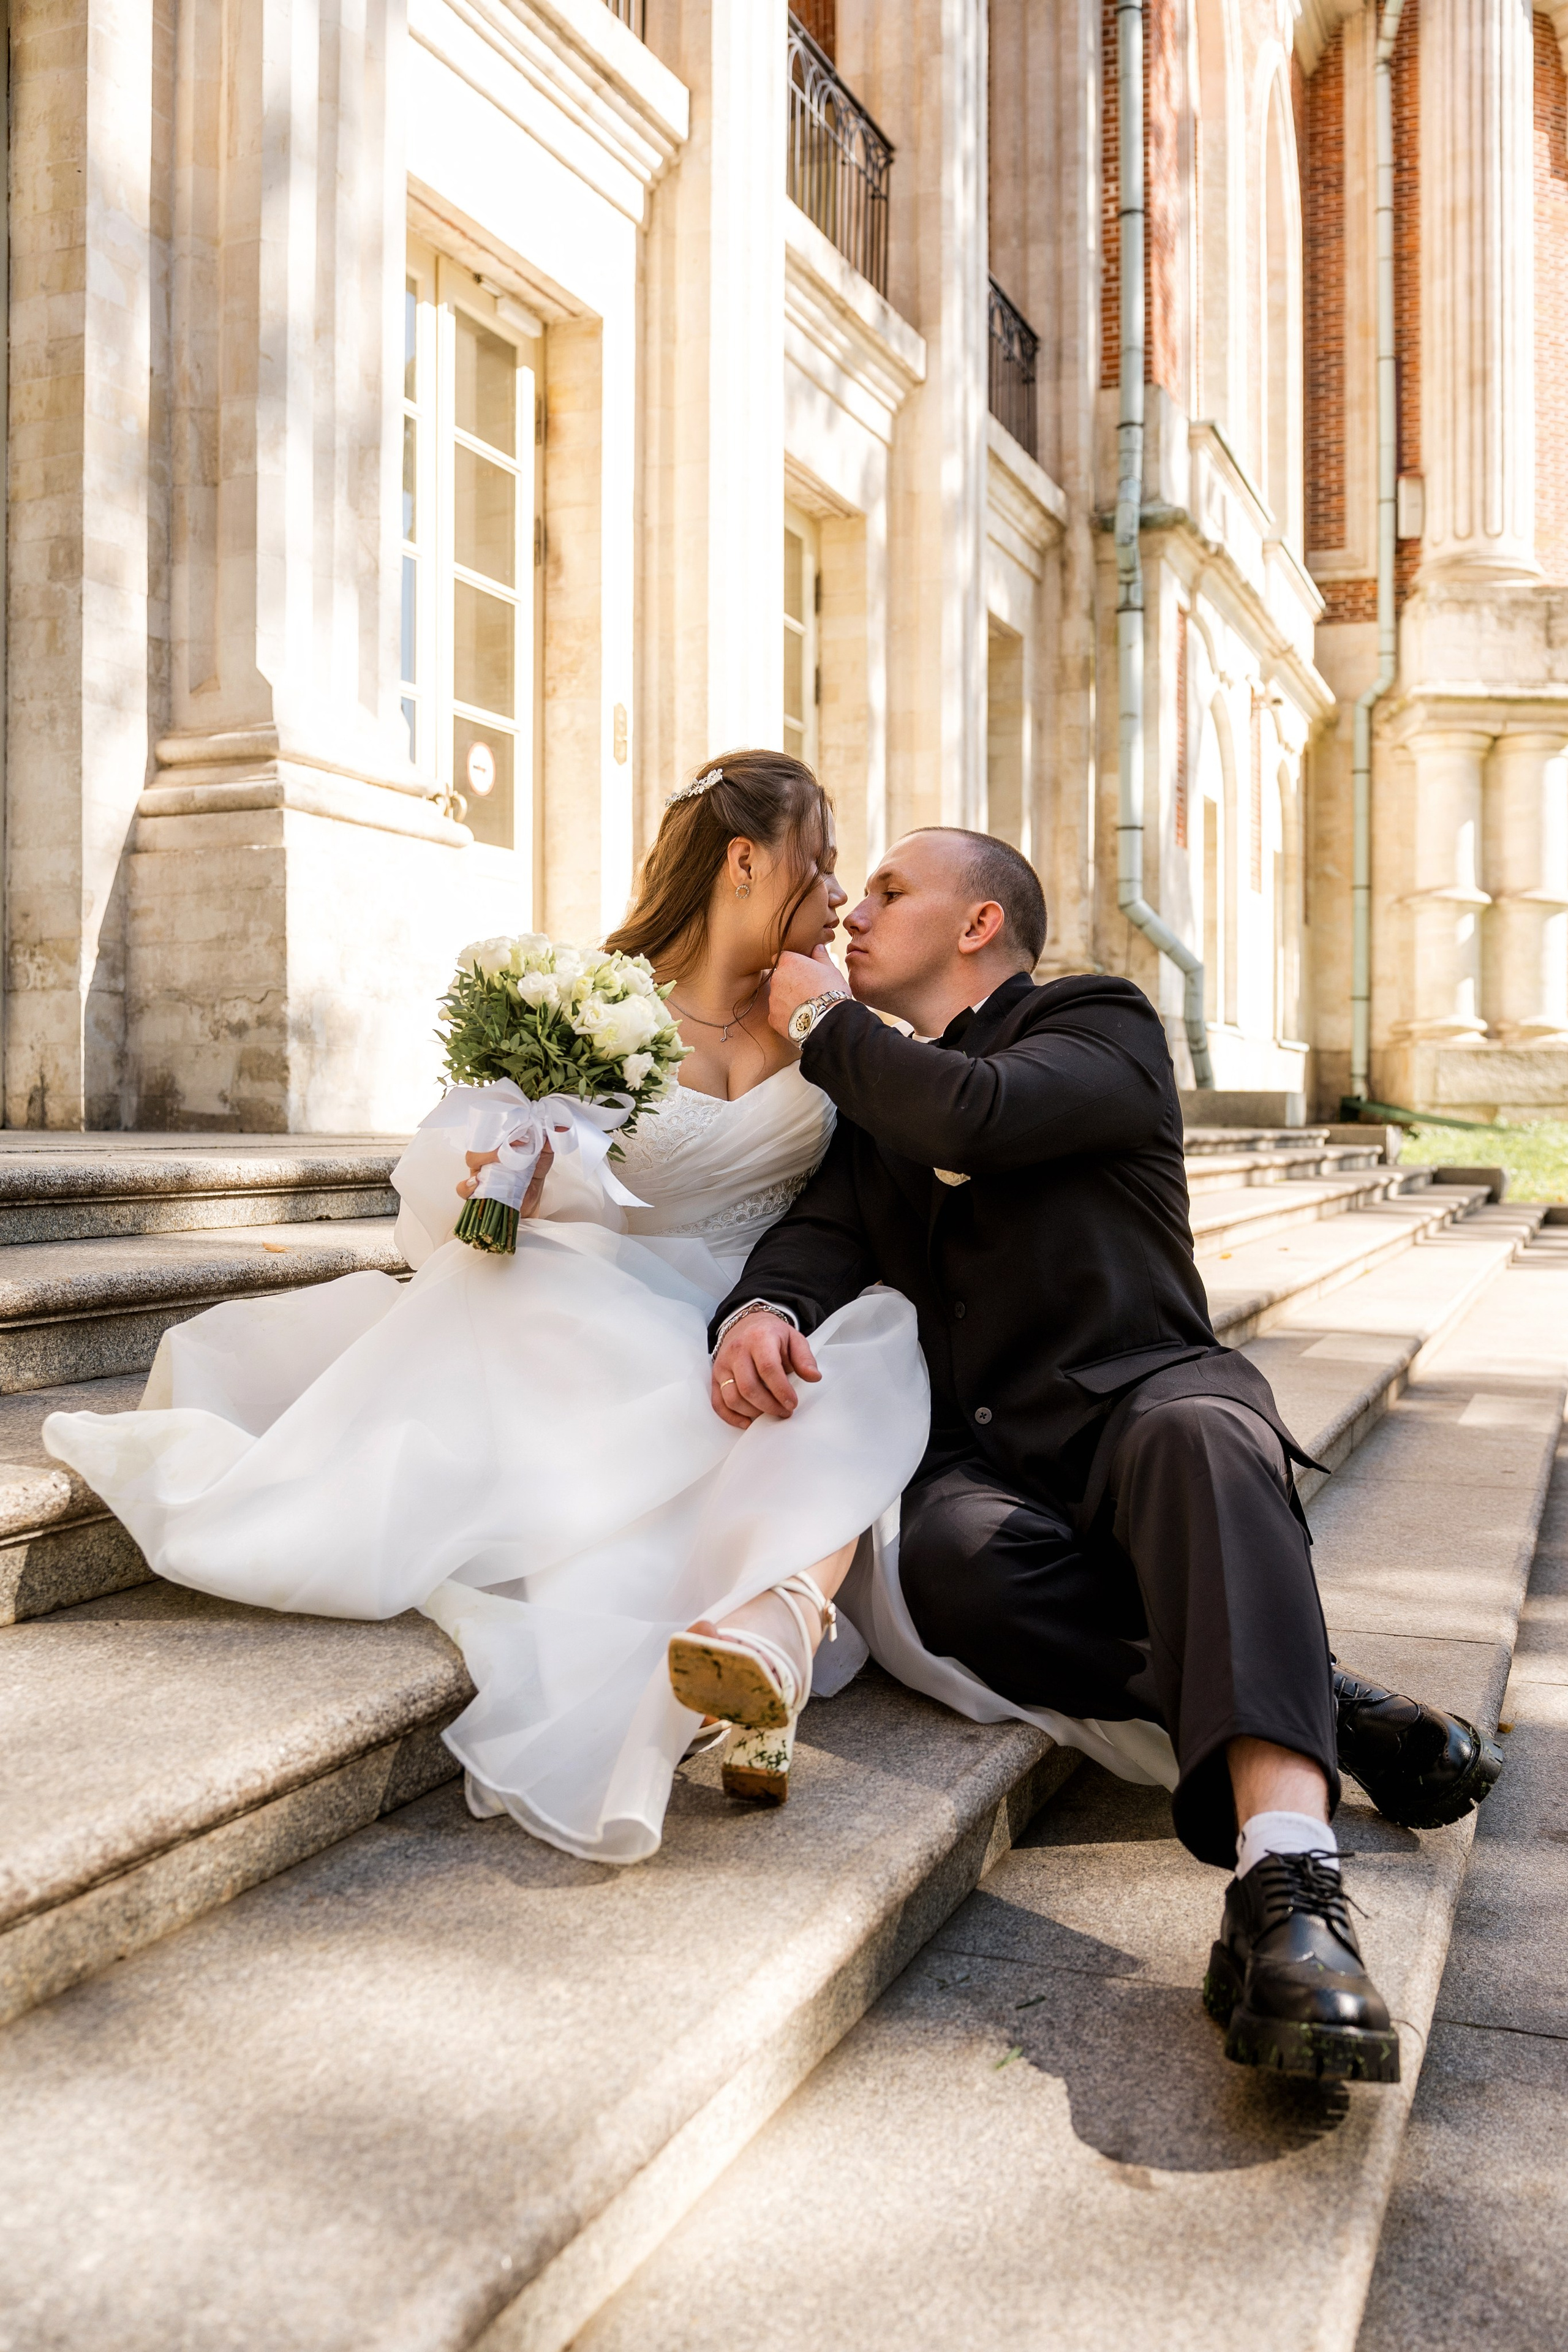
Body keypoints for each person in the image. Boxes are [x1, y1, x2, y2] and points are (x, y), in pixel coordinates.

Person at [705, 826, 1502, 2084]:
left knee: (1202, 1438)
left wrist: (817, 1025)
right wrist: (760, 1311)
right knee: (955, 1572)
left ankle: (1287, 1890)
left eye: (892, 892)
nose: (853, 912)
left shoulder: (1097, 1023)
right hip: (993, 1456)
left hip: (1143, 1398)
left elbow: (975, 1112)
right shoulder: (878, 1101)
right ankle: (1324, 1704)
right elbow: (817, 1234)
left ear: (977, 926)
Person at [40, 753, 935, 1864]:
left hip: (753, 1301)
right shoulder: (601, 1004)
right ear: (747, 862)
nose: (842, 895)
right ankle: (731, 1638)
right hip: (603, 1294)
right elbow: (470, 1177)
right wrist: (501, 1179)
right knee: (542, 1287)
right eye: (826, 861)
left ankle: (765, 1634)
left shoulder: (825, 1020)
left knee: (873, 1339)